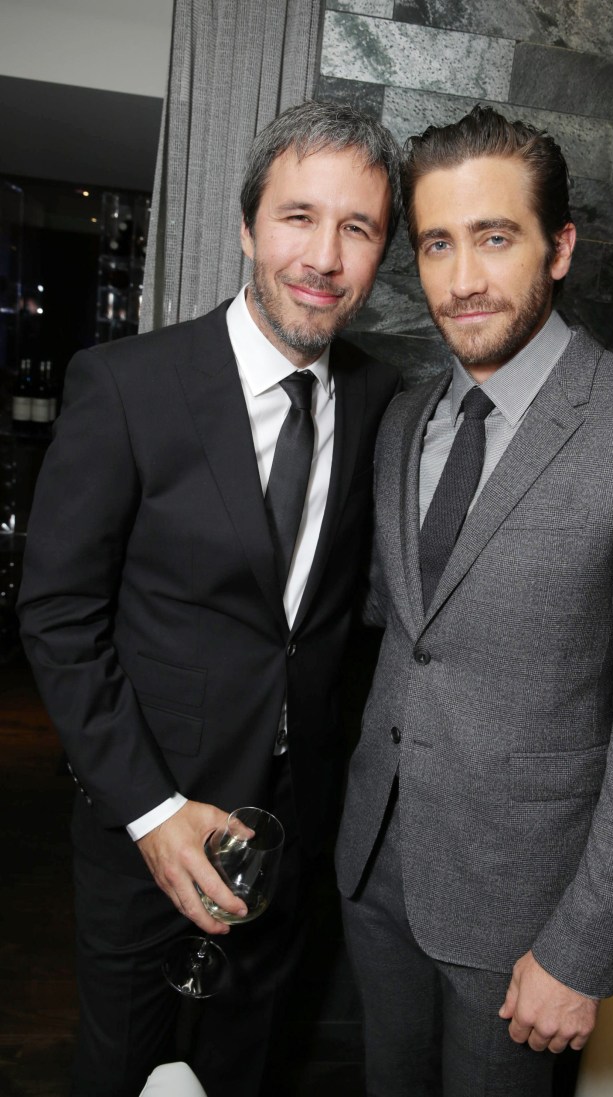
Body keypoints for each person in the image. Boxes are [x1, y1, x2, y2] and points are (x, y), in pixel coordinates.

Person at [335, 105, 613, 1097]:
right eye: (435, 243)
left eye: (494, 236)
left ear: (558, 248)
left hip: (525, 921)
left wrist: (583, 947)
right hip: (375, 869)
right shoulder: (405, 420)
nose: (461, 278)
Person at [17, 100, 401, 1097]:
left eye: (356, 227)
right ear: (245, 226)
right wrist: (149, 810)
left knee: (241, 1067)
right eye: (296, 216)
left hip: (285, 833)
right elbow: (58, 614)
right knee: (122, 1067)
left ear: (380, 253)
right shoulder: (126, 384)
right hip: (149, 819)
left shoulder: (379, 401)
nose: (322, 255)